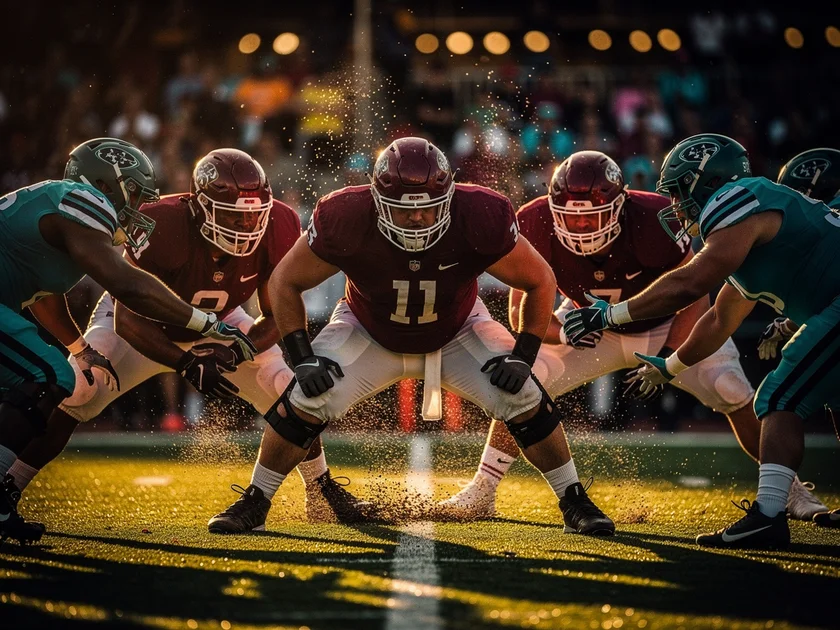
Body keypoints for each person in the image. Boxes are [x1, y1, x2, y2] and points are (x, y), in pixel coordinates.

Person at [209, 137, 616, 536]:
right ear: (377, 200)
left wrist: (524, 355)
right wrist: (301, 356)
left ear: (450, 197)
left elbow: (540, 280)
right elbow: (285, 282)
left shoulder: (480, 213)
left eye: (429, 209)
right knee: (306, 392)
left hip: (457, 328)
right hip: (369, 329)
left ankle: (573, 499)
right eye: (404, 211)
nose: (418, 219)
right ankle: (257, 500)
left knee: (522, 391)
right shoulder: (346, 215)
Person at [437, 150, 827, 521]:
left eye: (593, 216)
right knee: (524, 383)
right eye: (571, 218)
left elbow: (693, 294)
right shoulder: (535, 220)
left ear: (620, 205)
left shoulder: (655, 217)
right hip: (588, 323)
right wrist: (560, 333)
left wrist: (673, 355)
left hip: (663, 322)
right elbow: (523, 298)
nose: (582, 225)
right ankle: (483, 488)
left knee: (729, 388)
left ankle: (790, 490)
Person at [8, 148, 375, 530]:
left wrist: (239, 349)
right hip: (143, 323)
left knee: (287, 388)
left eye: (253, 216)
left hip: (219, 321)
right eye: (232, 215)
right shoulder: (161, 223)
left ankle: (321, 489)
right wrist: (184, 363)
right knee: (80, 389)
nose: (245, 226)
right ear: (199, 207)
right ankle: (9, 486)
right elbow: (128, 320)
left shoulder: (279, 223)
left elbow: (278, 311)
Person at [562, 134, 840, 548]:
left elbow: (691, 281)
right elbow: (717, 319)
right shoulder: (753, 240)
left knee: (778, 399)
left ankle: (767, 516)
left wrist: (611, 314)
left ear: (706, 182)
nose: (674, 205)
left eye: (677, 192)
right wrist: (669, 366)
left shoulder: (741, 196)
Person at [0, 138, 255, 544]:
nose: (138, 203)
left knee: (54, 372)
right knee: (49, 376)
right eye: (134, 190)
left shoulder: (56, 209)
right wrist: (208, 324)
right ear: (105, 183)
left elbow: (44, 293)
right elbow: (126, 285)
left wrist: (80, 348)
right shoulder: (79, 198)